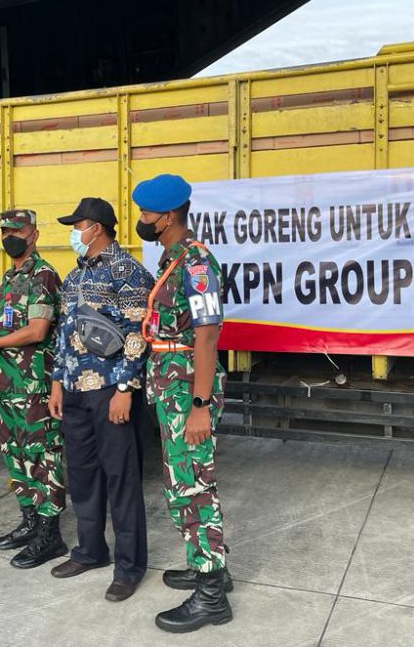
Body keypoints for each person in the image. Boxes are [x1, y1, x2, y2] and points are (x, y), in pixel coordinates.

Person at [132, 174, 233, 633]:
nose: (141, 221)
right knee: (183, 482)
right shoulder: (172, 260)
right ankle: (211, 568)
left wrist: (199, 404)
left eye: (146, 215)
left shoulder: (195, 263)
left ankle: (211, 595)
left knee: (192, 486)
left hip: (187, 391)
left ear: (167, 217)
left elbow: (208, 336)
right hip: (171, 388)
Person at [48, 198, 154, 603]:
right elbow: (63, 334)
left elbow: (137, 333)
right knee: (83, 475)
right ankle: (90, 551)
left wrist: (126, 389)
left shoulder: (126, 270)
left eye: (77, 225)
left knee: (120, 478)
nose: (74, 232)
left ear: (97, 227)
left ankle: (129, 567)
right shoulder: (75, 275)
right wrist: (58, 381)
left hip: (111, 390)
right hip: (74, 390)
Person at [0, 209, 67, 569]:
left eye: (17, 230)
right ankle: (30, 522)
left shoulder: (42, 275)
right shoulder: (9, 277)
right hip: (8, 386)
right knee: (16, 456)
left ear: (34, 234)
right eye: (5, 230)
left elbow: (38, 331)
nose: (10, 236)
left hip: (34, 386)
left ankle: (51, 534)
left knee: (42, 458)